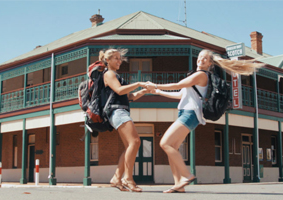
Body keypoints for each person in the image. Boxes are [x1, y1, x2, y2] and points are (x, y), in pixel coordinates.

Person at [146, 49, 263, 193]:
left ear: (209, 64)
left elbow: (178, 85)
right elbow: (180, 94)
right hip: (186, 112)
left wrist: (156, 85)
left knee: (164, 143)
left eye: (205, 59)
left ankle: (187, 175)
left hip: (190, 113)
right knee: (172, 149)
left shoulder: (201, 75)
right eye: (200, 57)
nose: (201, 60)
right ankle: (179, 185)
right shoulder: (195, 76)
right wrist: (158, 92)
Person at [101, 48, 147, 192]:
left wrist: (144, 91)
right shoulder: (109, 74)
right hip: (117, 111)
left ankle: (116, 178)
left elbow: (129, 96)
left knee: (130, 146)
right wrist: (139, 82)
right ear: (107, 60)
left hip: (121, 110)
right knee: (135, 141)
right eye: (116, 58)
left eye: (120, 58)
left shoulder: (116, 76)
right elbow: (120, 90)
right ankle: (128, 178)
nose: (119, 61)